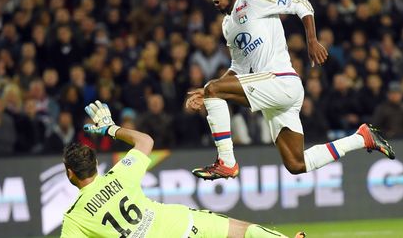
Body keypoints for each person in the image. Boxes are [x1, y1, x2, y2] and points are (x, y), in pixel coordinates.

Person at [185, 0, 395, 180]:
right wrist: (209, 92)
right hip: (273, 91)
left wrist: (312, 40)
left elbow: (301, 4)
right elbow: (238, 67)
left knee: (213, 88)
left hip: (281, 81)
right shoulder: (228, 25)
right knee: (296, 164)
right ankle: (362, 138)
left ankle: (227, 163)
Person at [60, 100, 305, 238]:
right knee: (242, 231)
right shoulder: (120, 174)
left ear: (70, 172)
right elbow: (145, 141)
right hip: (181, 224)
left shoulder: (75, 217)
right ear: (94, 164)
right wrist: (110, 128)